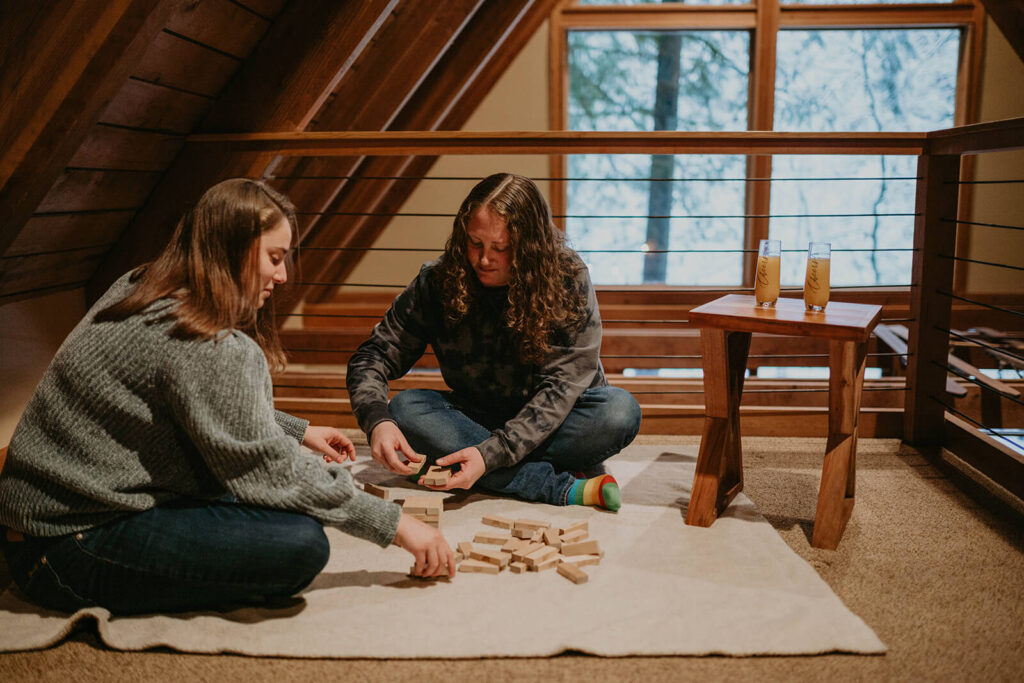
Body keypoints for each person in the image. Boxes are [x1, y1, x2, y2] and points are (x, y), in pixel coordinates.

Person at [0, 178, 454, 616]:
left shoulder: (143, 282)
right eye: (274, 257)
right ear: (231, 249)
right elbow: (268, 473)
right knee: (300, 543)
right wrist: (396, 525)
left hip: (38, 523)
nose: (282, 275)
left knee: (269, 496)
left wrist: (299, 431)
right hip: (65, 548)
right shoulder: (208, 343)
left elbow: (197, 400)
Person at [347, 173, 641, 510]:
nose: (484, 260)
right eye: (475, 243)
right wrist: (377, 421)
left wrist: (488, 454)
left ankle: (464, 463)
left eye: (501, 249)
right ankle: (563, 487)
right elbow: (372, 356)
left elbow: (562, 388)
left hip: (557, 417)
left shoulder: (567, 277)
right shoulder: (438, 280)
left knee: (619, 412)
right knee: (402, 411)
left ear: (530, 248)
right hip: (477, 419)